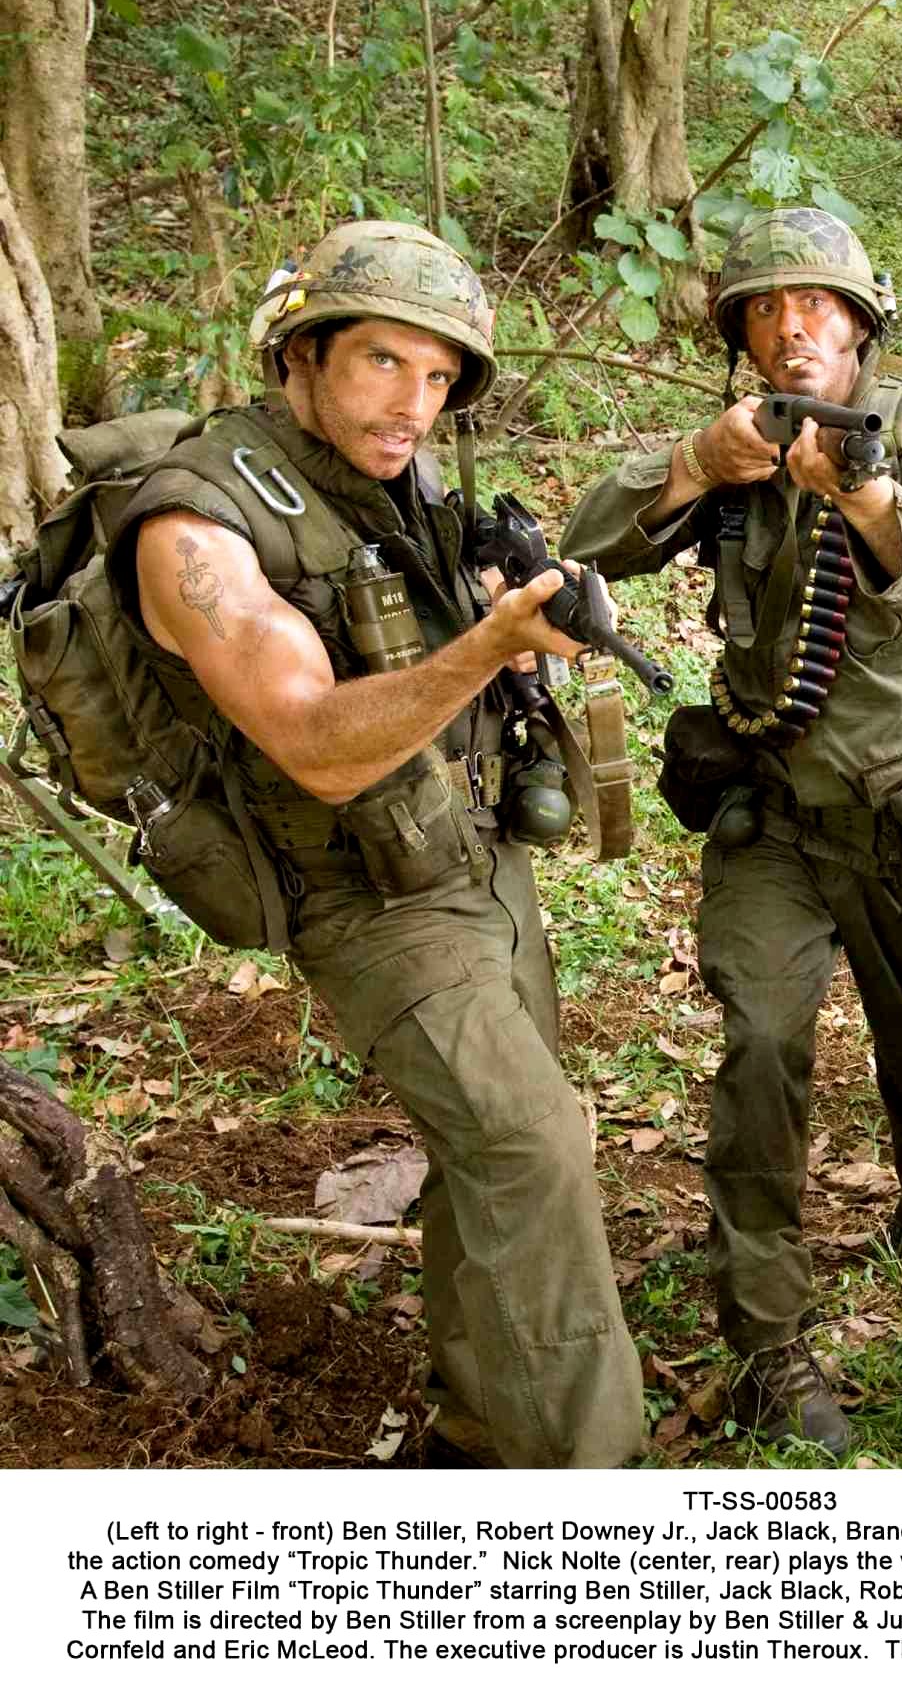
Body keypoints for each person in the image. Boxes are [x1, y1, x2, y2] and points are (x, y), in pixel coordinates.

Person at [112, 220, 644, 1467]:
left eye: (439, 377)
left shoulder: (386, 481)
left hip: (468, 860)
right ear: (298, 357)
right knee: (533, 1145)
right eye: (381, 363)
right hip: (364, 895)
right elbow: (313, 742)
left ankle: (476, 1433)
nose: (414, 402)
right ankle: (591, 1484)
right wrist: (491, 646)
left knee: (492, 1157)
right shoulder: (195, 529)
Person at [557, 208, 902, 1455]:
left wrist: (863, 501)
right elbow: (580, 554)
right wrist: (694, 469)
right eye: (763, 309)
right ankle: (767, 1340)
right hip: (773, 818)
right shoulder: (737, 448)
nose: (790, 326)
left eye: (814, 305)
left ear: (860, 322)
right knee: (762, 1050)